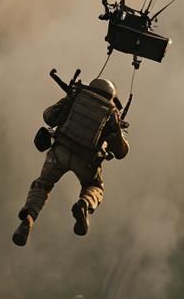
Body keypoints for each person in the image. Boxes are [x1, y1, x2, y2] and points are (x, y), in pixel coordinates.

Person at [12, 75, 129, 246]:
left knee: (43, 184)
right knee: (94, 187)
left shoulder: (77, 97)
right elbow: (120, 152)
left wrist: (68, 98)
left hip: (60, 152)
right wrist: (117, 131)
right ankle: (84, 204)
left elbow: (49, 117)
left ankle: (29, 216)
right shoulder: (112, 114)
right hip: (86, 161)